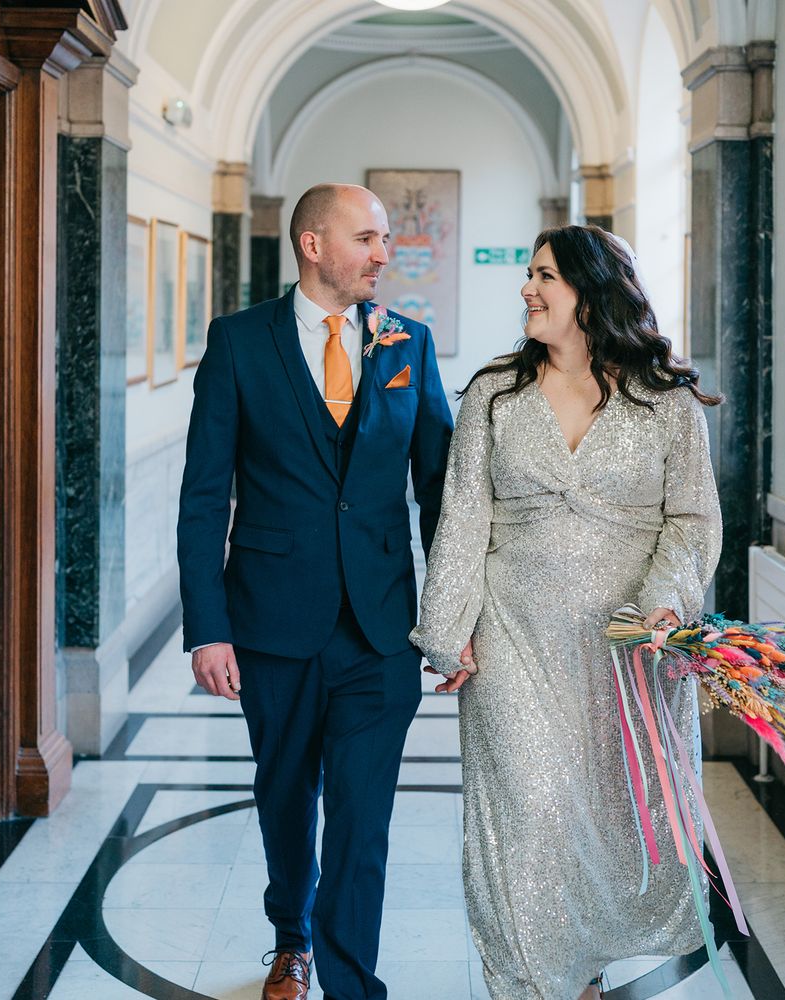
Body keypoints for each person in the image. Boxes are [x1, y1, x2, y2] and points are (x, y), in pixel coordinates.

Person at [409, 225, 722, 1000]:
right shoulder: (494, 394)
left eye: (544, 275)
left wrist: (664, 607)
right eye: (528, 274)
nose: (528, 289)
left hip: (628, 647)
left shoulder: (667, 402)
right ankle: (531, 982)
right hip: (514, 638)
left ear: (591, 290)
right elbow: (463, 519)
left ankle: (582, 966)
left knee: (614, 823)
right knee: (527, 814)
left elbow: (692, 519)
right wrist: (450, 634)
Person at [177, 183, 453, 1000]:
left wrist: (452, 619)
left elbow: (439, 494)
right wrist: (207, 628)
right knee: (285, 797)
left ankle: (350, 981)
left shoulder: (409, 344)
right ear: (312, 245)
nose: (383, 254)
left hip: (380, 627)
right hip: (270, 620)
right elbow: (202, 496)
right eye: (367, 237)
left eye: (385, 239)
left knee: (364, 821)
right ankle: (290, 937)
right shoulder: (238, 343)